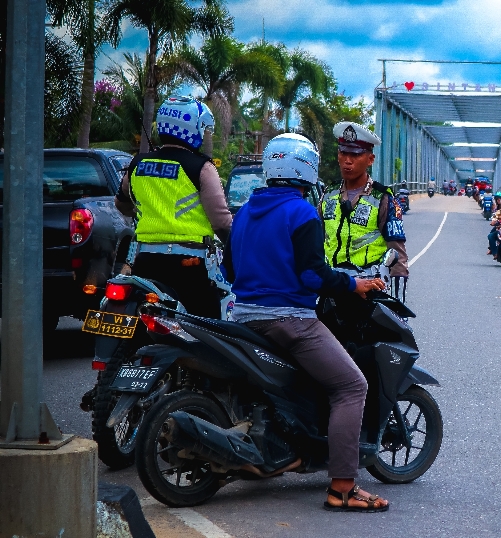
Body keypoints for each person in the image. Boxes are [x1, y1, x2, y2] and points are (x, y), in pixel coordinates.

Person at [225, 133, 390, 513]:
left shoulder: (245, 211)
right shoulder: (303, 212)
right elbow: (314, 277)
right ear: (307, 169)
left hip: (244, 318)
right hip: (291, 321)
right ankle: (344, 487)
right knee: (351, 386)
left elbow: (231, 270)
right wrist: (354, 283)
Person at [114, 96, 232, 318]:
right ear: (193, 128)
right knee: (209, 328)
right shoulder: (201, 168)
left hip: (144, 259)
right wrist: (236, 247)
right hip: (189, 264)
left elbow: (121, 203)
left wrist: (146, 214)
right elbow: (221, 222)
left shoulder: (138, 163)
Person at [321, 121, 409, 299]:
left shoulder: (382, 198)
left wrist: (398, 304)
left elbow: (398, 255)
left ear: (370, 159)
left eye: (355, 154)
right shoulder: (328, 194)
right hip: (331, 285)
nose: (347, 160)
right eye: (343, 152)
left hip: (369, 288)